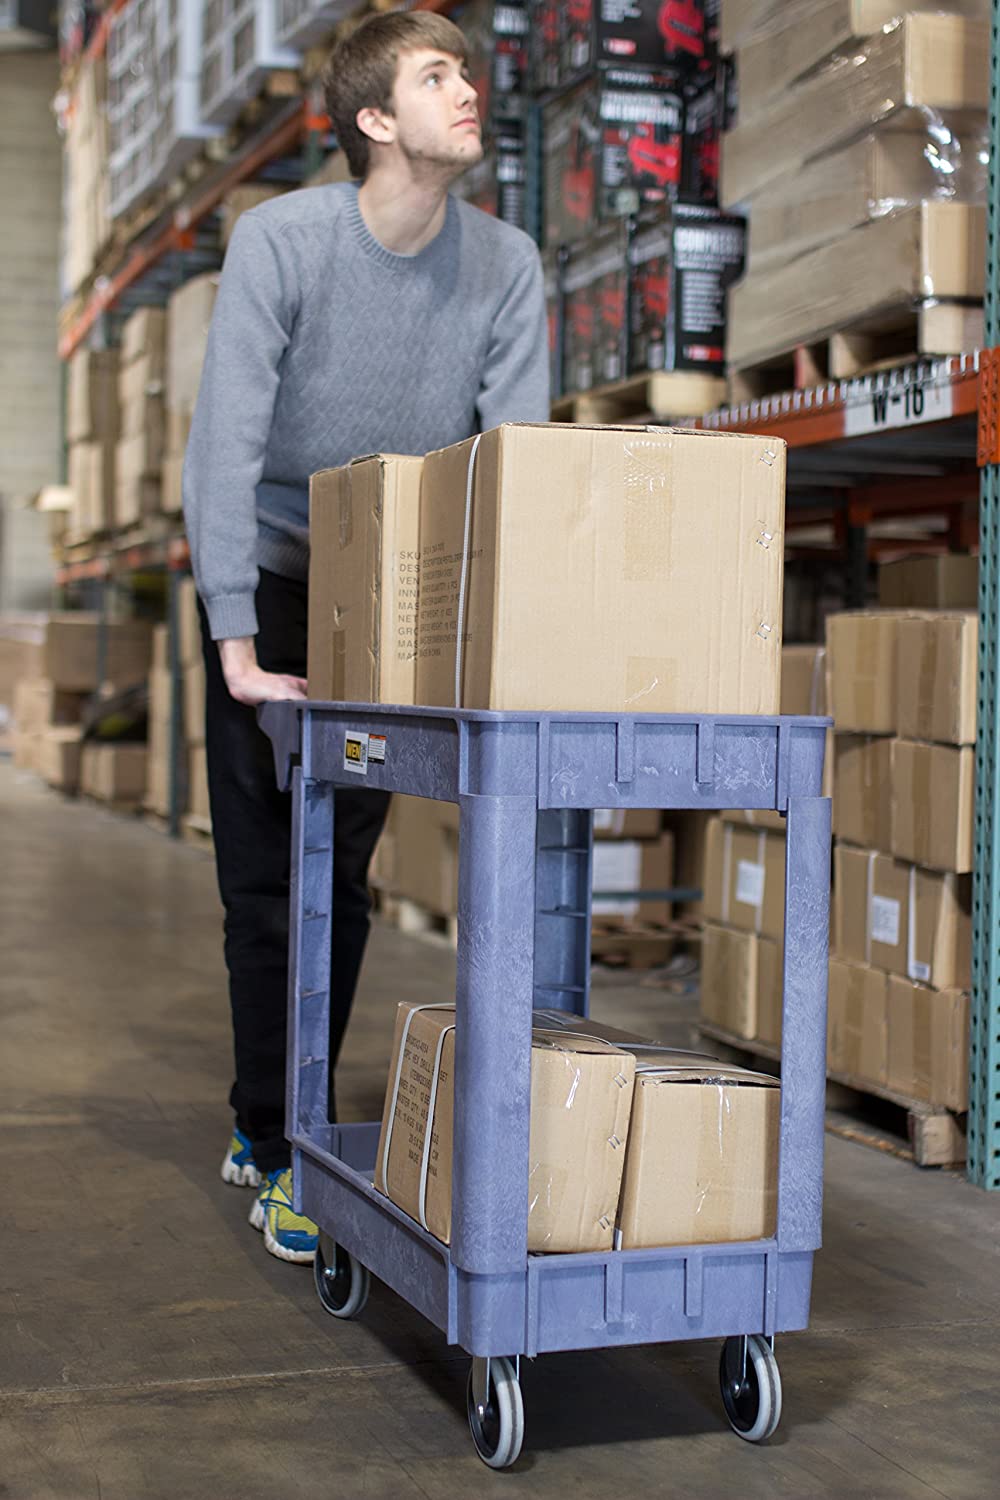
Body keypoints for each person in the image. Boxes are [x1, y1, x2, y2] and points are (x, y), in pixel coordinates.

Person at [182, 9, 549, 1264]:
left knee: (336, 870)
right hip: (271, 565)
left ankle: (286, 1121)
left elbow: (513, 463)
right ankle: (275, 1139)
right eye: (437, 76)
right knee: (263, 878)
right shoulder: (281, 240)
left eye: (467, 71)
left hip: (387, 582)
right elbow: (225, 443)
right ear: (376, 119)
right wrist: (235, 641)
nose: (469, 90)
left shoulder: (504, 264)